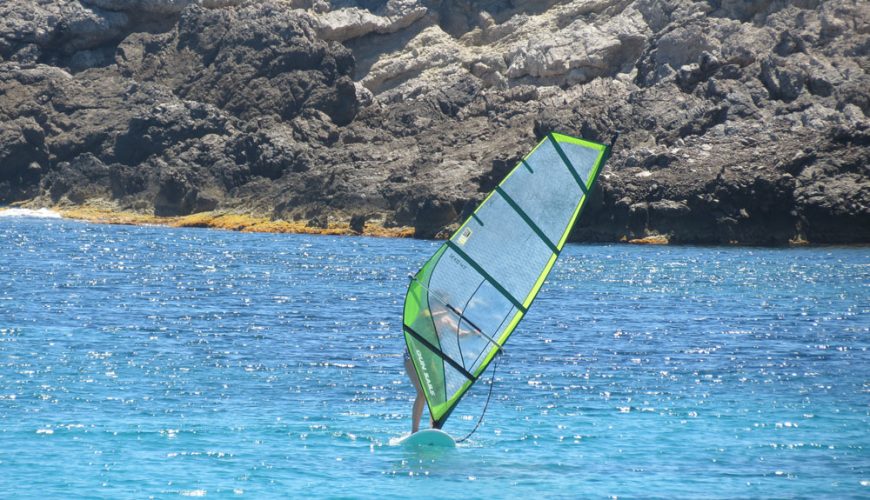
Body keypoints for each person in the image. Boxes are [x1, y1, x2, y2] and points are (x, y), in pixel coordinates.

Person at [404, 346, 434, 433]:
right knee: (422, 392)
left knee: (436, 394)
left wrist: (473, 334)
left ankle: (434, 429)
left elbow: (458, 333)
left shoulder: (442, 331)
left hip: (430, 357)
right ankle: (414, 430)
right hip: (412, 356)